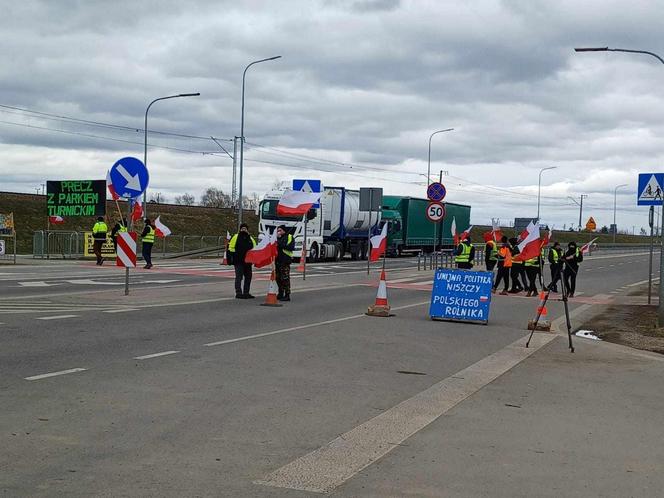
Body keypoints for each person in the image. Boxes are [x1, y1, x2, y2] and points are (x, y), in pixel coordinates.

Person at [228, 223, 257, 299]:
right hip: (238, 261)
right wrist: (233, 257)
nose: (243, 230)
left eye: (245, 229)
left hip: (248, 262)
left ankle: (246, 292)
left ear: (247, 230)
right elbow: (231, 247)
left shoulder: (250, 238)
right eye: (242, 228)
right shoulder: (236, 237)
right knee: (239, 277)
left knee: (248, 277)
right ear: (240, 229)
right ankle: (238, 293)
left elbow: (255, 248)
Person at [275, 225, 295, 301]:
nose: (278, 232)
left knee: (285, 278)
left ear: (284, 230)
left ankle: (287, 294)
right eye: (278, 230)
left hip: (285, 260)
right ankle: (280, 293)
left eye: (280, 230)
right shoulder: (276, 238)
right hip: (277, 260)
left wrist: (279, 242)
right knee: (278, 278)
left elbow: (290, 247)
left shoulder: (289, 237)